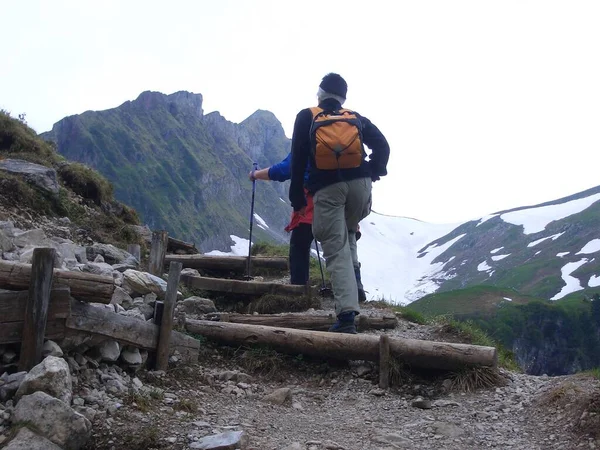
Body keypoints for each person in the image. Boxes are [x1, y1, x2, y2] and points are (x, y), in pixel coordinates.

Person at [289, 73, 390, 334]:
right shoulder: (354, 117)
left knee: (335, 248)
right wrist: (375, 170)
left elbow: (298, 159)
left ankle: (346, 317)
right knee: (348, 231)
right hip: (360, 187)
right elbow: (383, 145)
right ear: (343, 97)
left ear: (320, 93)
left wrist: (297, 197)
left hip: (327, 189)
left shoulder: (307, 115)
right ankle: (355, 285)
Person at [249, 154, 367, 301]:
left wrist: (256, 174)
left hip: (311, 205)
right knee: (344, 245)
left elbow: (284, 170)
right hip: (343, 201)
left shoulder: (309, 142)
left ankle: (299, 292)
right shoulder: (345, 143)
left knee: (300, 246)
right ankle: (355, 287)